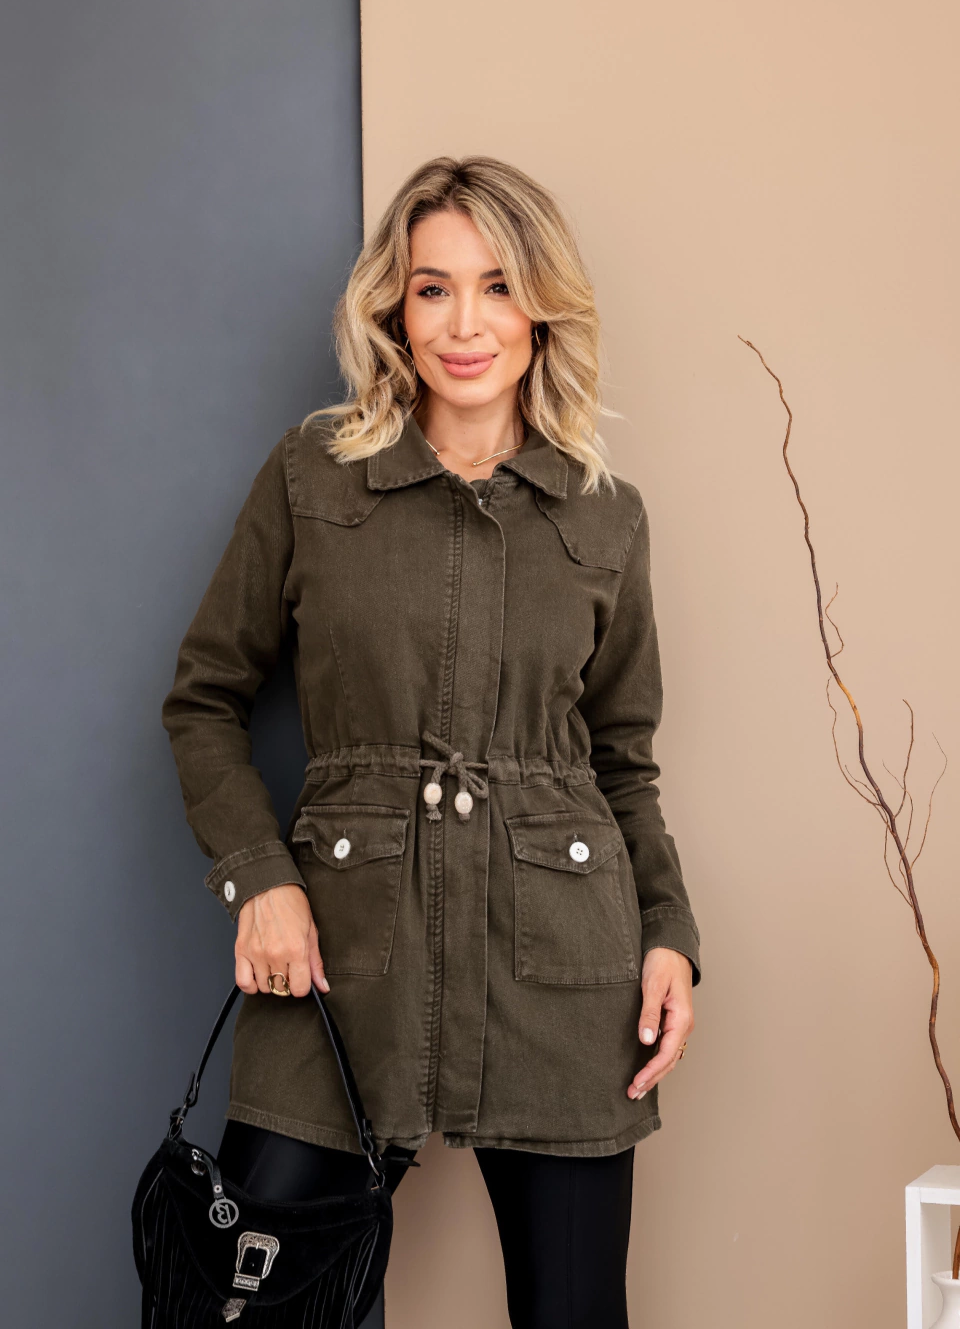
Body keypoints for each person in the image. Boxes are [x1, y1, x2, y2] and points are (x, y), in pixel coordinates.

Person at [161, 155, 701, 1328]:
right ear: (393, 309)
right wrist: (258, 876)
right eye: (433, 288)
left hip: (560, 973)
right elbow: (203, 697)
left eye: (498, 286)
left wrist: (668, 931)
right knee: (243, 1307)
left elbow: (622, 758)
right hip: (342, 956)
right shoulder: (314, 476)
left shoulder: (603, 515)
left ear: (541, 308)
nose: (465, 324)